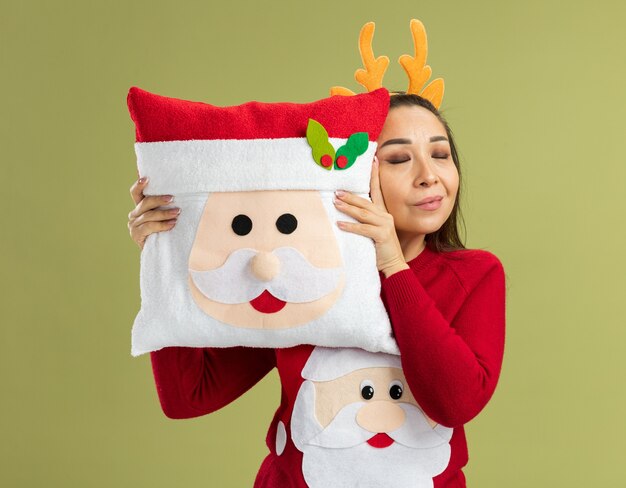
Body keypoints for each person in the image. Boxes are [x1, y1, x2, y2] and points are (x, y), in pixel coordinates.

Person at [127, 93, 506, 487]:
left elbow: (456, 401)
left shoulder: (476, 274)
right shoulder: (305, 277)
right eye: (397, 159)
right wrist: (163, 256)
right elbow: (189, 396)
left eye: (441, 155)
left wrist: (393, 266)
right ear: (358, 174)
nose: (429, 175)